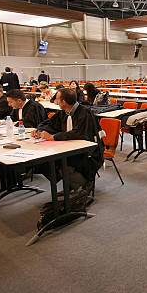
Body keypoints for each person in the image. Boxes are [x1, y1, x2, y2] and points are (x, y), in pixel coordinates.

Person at [33, 88, 104, 226]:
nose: (56, 101)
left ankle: (79, 187)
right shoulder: (64, 112)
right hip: (71, 148)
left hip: (89, 153)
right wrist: (40, 130)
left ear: (64, 101)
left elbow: (79, 133)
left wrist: (54, 137)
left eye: (58, 99)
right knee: (47, 162)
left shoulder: (85, 113)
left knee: (61, 161)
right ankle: (72, 188)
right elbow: (49, 123)